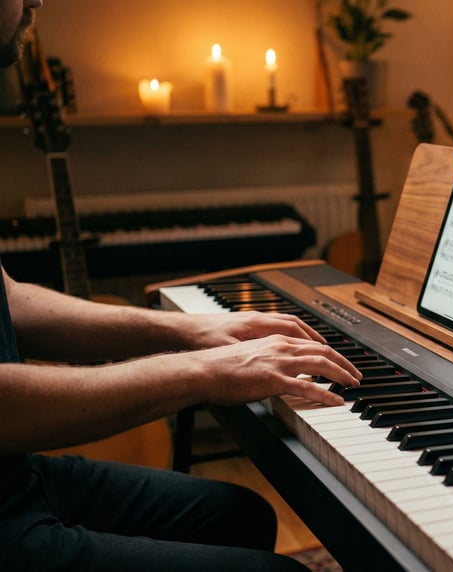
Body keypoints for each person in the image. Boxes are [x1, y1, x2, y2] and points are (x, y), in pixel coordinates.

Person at [0, 1, 360, 569]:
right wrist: (200, 372)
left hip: (14, 474)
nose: (35, 2)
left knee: (242, 517)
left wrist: (190, 329)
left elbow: (10, 299)